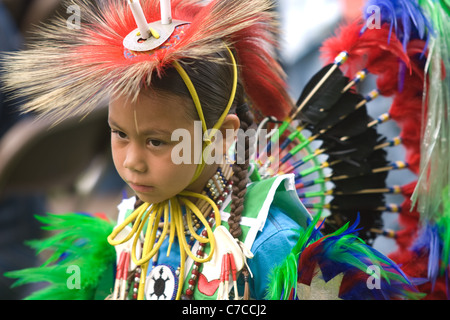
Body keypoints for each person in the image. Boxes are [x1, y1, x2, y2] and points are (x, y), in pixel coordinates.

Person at [3, 0, 419, 300]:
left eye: (155, 141)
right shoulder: (131, 228)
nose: (131, 162)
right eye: (118, 134)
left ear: (222, 137)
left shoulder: (268, 244)